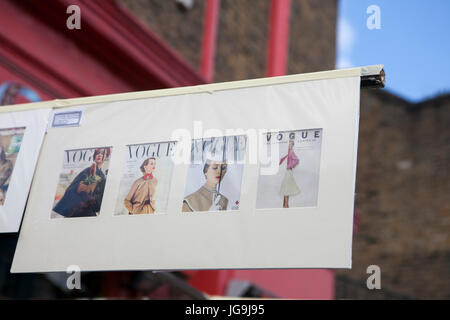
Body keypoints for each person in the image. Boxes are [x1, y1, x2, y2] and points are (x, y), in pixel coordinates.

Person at [53, 148, 110, 218]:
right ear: (94, 155)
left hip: (88, 210)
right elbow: (75, 188)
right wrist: (92, 178)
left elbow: (99, 198)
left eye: (102, 153)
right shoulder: (87, 171)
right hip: (78, 209)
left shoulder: (102, 175)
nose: (99, 155)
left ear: (106, 157)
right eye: (98, 153)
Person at [279, 140, 300, 208]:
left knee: (286, 188)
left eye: (290, 144)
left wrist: (290, 166)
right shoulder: (289, 153)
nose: (289, 145)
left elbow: (297, 160)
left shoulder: (291, 152)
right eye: (289, 144)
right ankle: (285, 205)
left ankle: (285, 205)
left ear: (292, 145)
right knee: (286, 188)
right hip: (287, 171)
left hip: (289, 172)